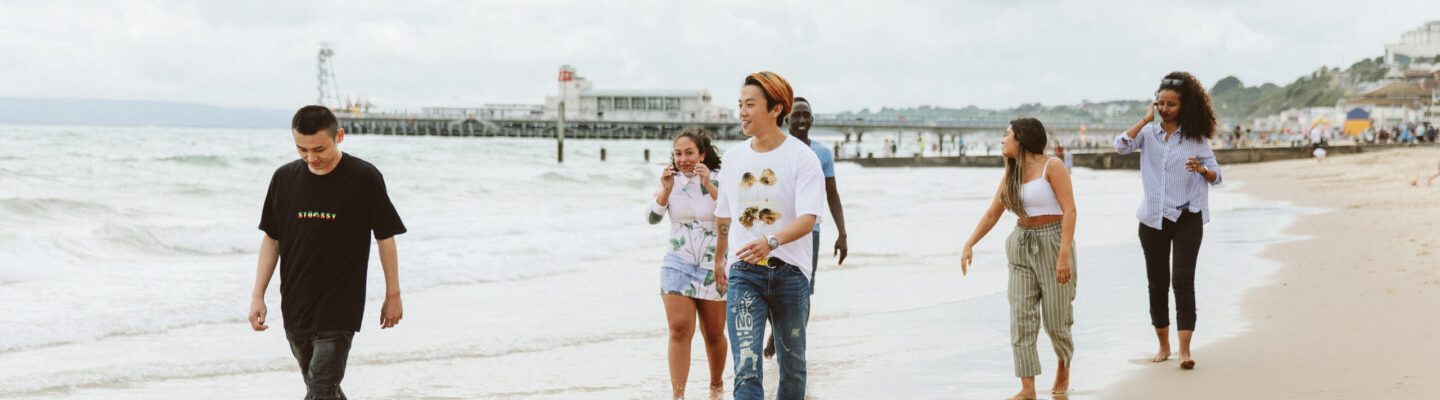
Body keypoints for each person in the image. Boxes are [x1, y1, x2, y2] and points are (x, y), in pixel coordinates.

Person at [250, 105, 407, 399]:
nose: (311, 157)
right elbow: (272, 240)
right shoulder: (283, 179)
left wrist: (393, 294)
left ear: (340, 136)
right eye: (302, 149)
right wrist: (257, 295)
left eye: (319, 149)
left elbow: (386, 237)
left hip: (340, 305)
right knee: (322, 388)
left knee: (321, 387)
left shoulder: (364, 177)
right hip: (296, 303)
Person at [714, 71, 826, 399]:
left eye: (750, 104)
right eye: (740, 104)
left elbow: (808, 219)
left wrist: (770, 241)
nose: (742, 112)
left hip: (791, 274)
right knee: (746, 369)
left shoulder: (802, 158)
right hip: (745, 273)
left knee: (792, 368)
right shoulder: (734, 159)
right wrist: (720, 258)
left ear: (776, 109)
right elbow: (724, 214)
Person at [961, 118, 1078, 400]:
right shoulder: (1011, 174)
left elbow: (1070, 211)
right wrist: (970, 243)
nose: (1002, 140)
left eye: (1006, 135)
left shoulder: (1053, 167)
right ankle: (1028, 388)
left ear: (1022, 139)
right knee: (1021, 317)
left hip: (1053, 242)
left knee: (1055, 319)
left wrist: (1063, 255)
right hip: (1021, 243)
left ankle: (1063, 362)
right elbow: (993, 213)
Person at [1114, 72, 1222, 371]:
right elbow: (1120, 146)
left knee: (1182, 281)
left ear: (1183, 105)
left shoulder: (1197, 139)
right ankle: (1163, 347)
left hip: (1187, 218)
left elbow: (1218, 176)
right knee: (1157, 283)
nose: (1164, 108)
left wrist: (1202, 169)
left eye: (1171, 104)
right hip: (1152, 220)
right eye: (1160, 103)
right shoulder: (1147, 135)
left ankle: (1185, 351)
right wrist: (1144, 121)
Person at [762, 97, 850, 359]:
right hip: (775, 232)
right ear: (786, 119)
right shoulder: (775, 149)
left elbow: (832, 194)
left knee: (803, 289)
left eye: (806, 115)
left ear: (812, 120)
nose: (801, 120)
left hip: (810, 233)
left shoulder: (821, 153)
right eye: (796, 115)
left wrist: (842, 233)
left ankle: (794, 345)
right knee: (768, 285)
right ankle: (777, 332)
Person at [647, 129, 728, 400]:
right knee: (679, 327)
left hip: (713, 263)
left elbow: (733, 215)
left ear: (702, 155)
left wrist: (709, 186)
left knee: (714, 333)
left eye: (689, 153)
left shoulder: (719, 178)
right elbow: (652, 218)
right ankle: (678, 396)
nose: (683, 159)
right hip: (677, 261)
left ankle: (716, 387)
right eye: (678, 153)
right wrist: (665, 191)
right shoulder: (670, 182)